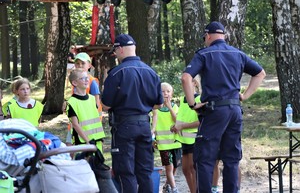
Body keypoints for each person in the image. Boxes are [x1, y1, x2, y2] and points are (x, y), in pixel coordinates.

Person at [181, 21, 266, 193]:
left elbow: (186, 77)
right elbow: (260, 73)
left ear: (209, 36)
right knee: (231, 158)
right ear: (224, 36)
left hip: (214, 111)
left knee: (205, 158)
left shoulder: (204, 54)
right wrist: (245, 95)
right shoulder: (238, 54)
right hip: (235, 111)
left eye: (205, 37)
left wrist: (192, 104)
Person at [101, 34, 164, 193]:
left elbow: (105, 106)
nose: (114, 54)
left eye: (115, 50)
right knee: (145, 171)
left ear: (120, 48)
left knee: (125, 171)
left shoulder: (116, 73)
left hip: (123, 127)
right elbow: (159, 103)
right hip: (144, 125)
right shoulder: (151, 72)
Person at [65, 52, 103, 146]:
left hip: (89, 124)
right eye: (77, 63)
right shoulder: (76, 79)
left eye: (83, 63)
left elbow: (96, 104)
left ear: (89, 65)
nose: (80, 65)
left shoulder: (91, 81)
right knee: (70, 142)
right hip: (78, 121)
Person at [152, 82, 181, 193]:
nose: (165, 93)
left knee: (175, 166)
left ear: (172, 94)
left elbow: (177, 121)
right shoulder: (155, 108)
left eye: (168, 91)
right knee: (169, 167)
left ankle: (167, 185)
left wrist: (169, 108)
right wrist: (153, 139)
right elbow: (152, 125)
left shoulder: (175, 107)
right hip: (163, 144)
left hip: (176, 142)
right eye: (163, 91)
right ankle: (174, 189)